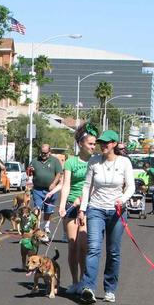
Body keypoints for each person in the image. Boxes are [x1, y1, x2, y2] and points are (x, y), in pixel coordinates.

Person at [77, 130, 135, 304]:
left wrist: (122, 199)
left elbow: (131, 187)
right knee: (94, 248)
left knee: (113, 251)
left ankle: (110, 289)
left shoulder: (124, 162)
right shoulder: (94, 161)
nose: (103, 145)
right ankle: (88, 288)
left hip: (117, 211)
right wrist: (82, 209)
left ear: (114, 144)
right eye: (101, 142)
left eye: (107, 143)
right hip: (96, 209)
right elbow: (87, 187)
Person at [58, 123, 97, 295]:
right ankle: (74, 282)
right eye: (90, 144)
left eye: (94, 144)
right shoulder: (71, 162)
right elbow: (65, 185)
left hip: (88, 205)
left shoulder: (96, 161)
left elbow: (96, 185)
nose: (93, 147)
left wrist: (83, 200)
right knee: (72, 246)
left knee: (84, 246)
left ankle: (84, 281)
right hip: (71, 207)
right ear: (81, 143)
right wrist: (62, 205)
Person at [30, 143, 63, 234]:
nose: (43, 155)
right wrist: (30, 170)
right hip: (37, 189)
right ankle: (36, 226)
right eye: (42, 153)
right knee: (37, 208)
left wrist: (53, 183)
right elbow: (28, 173)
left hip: (51, 190)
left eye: (45, 153)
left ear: (49, 152)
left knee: (48, 210)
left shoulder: (55, 161)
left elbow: (59, 173)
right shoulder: (35, 160)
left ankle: (46, 226)